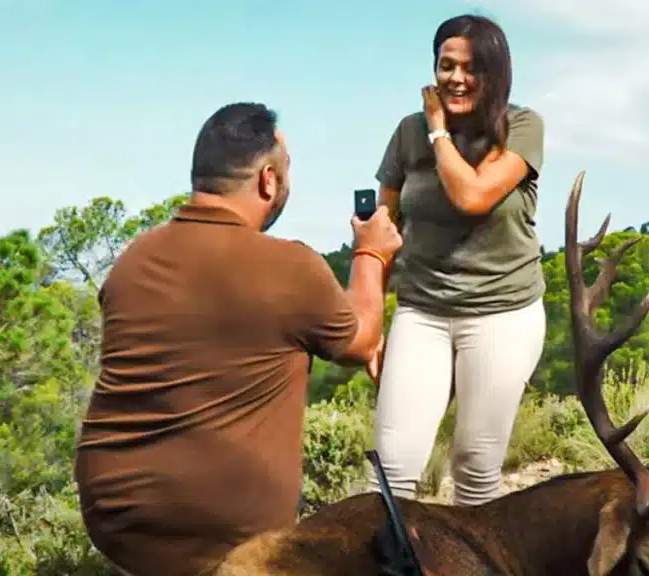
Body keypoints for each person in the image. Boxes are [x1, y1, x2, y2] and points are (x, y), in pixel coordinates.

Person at [73, 102, 402, 576]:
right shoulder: (289, 265)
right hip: (222, 527)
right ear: (268, 179)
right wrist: (371, 253)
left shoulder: (134, 258)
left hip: (115, 518)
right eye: (286, 171)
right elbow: (360, 341)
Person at [366, 13, 547, 507]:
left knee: (474, 466)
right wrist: (371, 325)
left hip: (502, 314)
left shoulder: (522, 127)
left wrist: (439, 132)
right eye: (446, 66)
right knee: (392, 468)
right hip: (422, 311)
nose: (456, 78)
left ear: (495, 75)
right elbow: (383, 230)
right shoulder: (407, 133)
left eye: (471, 68)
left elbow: (472, 196)